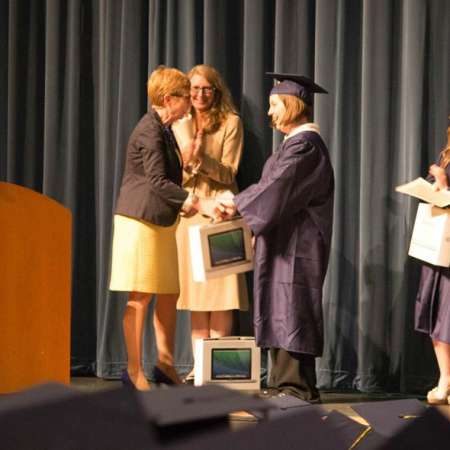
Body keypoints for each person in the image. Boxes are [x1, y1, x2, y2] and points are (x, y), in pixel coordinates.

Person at [216, 73, 334, 402]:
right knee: (278, 307)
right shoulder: (295, 144)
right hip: (282, 242)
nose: (269, 113)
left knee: (292, 308)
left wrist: (234, 202)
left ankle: (297, 389)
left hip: (298, 245)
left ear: (294, 104)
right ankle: (286, 386)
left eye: (274, 105)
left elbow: (277, 188)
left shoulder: (306, 147)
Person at [109, 66, 202, 391]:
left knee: (168, 293)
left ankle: (164, 364)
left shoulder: (165, 129)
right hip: (140, 222)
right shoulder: (149, 130)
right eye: (185, 97)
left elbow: (168, 175)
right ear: (168, 99)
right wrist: (194, 202)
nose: (190, 103)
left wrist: (187, 162)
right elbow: (158, 182)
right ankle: (133, 372)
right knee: (140, 296)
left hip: (160, 221)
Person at [172, 64, 248, 382]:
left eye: (206, 89)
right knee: (196, 299)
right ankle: (199, 367)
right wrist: (187, 159)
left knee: (222, 298)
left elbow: (230, 173)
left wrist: (202, 158)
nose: (200, 94)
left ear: (216, 92)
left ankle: (218, 370)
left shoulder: (231, 123)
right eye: (194, 88)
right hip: (189, 215)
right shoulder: (178, 123)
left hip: (222, 213)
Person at [415, 121, 450, 405]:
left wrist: (444, 185)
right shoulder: (446, 154)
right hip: (440, 251)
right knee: (437, 317)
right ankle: (445, 379)